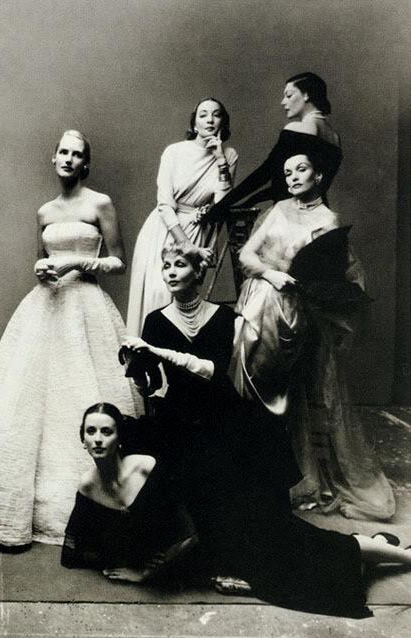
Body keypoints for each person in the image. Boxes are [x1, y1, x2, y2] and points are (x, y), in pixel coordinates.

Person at [122, 244, 411, 618]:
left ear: (198, 272)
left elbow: (212, 371)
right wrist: (138, 368)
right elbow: (153, 386)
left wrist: (156, 351)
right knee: (208, 508)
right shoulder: (155, 322)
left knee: (260, 522)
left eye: (180, 265)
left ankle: (375, 552)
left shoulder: (223, 317)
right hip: (180, 424)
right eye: (166, 267)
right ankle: (373, 550)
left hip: (224, 422)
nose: (172, 272)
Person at [0, 130, 139, 547]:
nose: (68, 159)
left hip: (86, 304)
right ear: (54, 158)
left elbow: (119, 261)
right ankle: (14, 504)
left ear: (85, 164)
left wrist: (76, 262)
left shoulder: (100, 203)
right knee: (23, 398)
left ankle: (84, 508)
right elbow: (40, 262)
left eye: (76, 154)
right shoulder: (45, 211)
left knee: (82, 389)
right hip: (45, 305)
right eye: (63, 152)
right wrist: (45, 270)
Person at [232, 152, 394, 519]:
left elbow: (330, 276)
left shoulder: (328, 221)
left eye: (301, 169)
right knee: (250, 365)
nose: (292, 177)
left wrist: (300, 286)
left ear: (318, 176)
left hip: (299, 309)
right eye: (287, 172)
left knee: (297, 389)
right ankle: (251, 469)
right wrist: (271, 275)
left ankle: (294, 476)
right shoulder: (277, 210)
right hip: (262, 299)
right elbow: (246, 255)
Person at [126, 97, 237, 335]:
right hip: (165, 227)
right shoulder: (174, 152)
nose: (210, 119)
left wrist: (220, 160)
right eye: (203, 114)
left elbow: (222, 204)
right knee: (158, 293)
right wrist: (186, 245)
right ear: (194, 124)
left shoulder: (229, 155)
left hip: (198, 229)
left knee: (183, 296)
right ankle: (146, 354)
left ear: (223, 123)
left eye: (216, 114)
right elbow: (165, 204)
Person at [61, 403, 195, 582]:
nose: (98, 439)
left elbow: (190, 534)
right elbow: (72, 549)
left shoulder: (145, 467)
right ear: (83, 441)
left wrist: (145, 573)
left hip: (185, 554)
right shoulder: (88, 485)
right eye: (91, 431)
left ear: (119, 437)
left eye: (107, 432)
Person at [205, 72, 342, 223]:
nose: (283, 102)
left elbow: (265, 173)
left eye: (289, 95)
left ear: (306, 95)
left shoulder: (298, 128)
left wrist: (221, 207)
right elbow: (291, 184)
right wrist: (252, 200)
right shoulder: (334, 138)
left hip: (292, 216)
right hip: (319, 217)